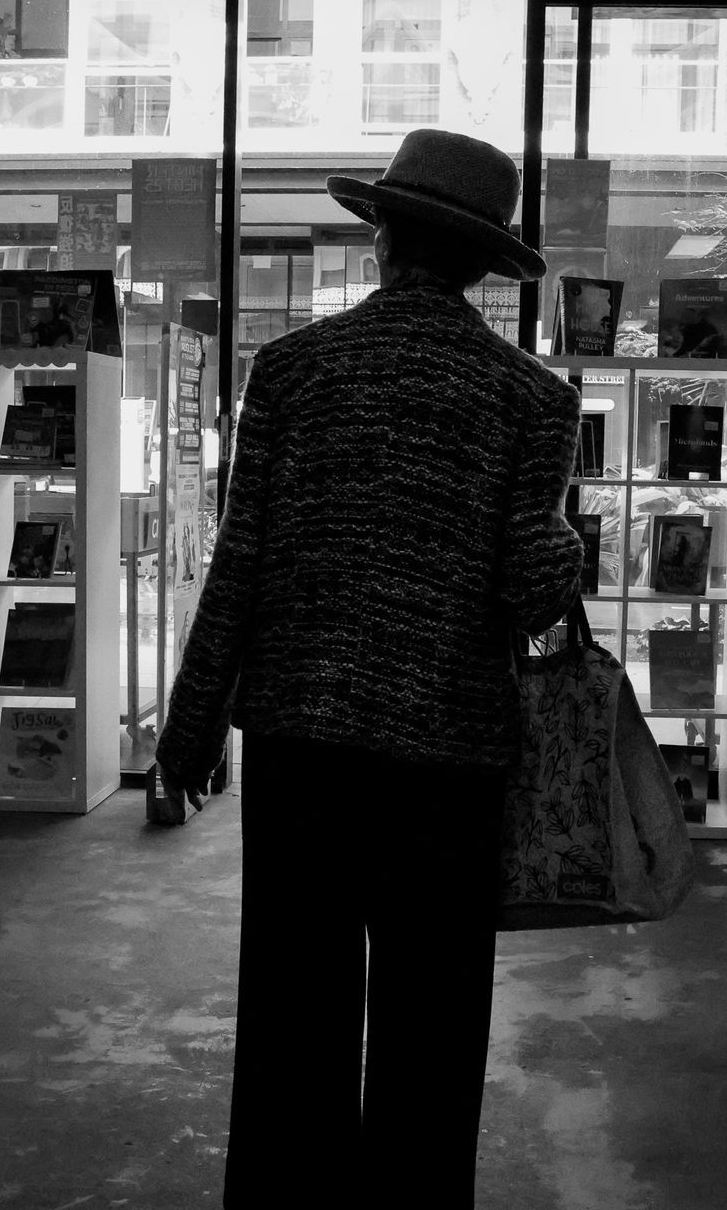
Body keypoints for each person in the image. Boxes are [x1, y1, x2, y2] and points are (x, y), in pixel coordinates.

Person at [153, 128, 584, 1209]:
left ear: (381, 232)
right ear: (485, 263)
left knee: (293, 1014)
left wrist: (190, 729)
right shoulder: (533, 398)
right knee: (431, 1030)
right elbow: (536, 593)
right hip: (449, 757)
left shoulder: (291, 369)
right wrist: (571, 541)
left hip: (300, 746)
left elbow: (239, 562)